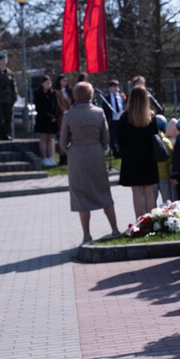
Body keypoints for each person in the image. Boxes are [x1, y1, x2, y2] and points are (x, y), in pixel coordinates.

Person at [59, 81, 120, 244]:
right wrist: (99, 147)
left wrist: (71, 150)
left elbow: (63, 142)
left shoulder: (68, 115)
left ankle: (86, 234)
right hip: (96, 155)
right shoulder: (99, 112)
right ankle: (114, 229)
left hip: (77, 157)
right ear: (91, 95)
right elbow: (106, 138)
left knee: (81, 195)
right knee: (103, 192)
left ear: (75, 96)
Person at [118, 86, 160, 221]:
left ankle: (139, 221)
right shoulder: (151, 116)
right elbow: (155, 136)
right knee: (149, 191)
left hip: (131, 157)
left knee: (136, 192)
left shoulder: (125, 116)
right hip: (148, 156)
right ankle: (151, 220)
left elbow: (120, 139)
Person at [0, 53, 17, 140]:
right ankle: (0, 134)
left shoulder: (10, 73)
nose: (4, 61)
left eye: (5, 59)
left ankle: (7, 133)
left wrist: (14, 97)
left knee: (8, 117)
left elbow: (13, 86)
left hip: (8, 98)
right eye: (2, 60)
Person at [33, 74, 59, 167]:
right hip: (43, 119)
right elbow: (39, 107)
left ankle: (50, 157)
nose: (49, 85)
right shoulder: (37, 93)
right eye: (47, 83)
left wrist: (55, 116)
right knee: (43, 139)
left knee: (50, 139)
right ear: (42, 83)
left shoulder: (53, 93)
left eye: (50, 83)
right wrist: (49, 116)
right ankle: (44, 158)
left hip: (52, 119)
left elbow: (56, 106)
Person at [102, 80, 126, 158]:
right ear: (110, 88)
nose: (115, 88)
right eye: (113, 87)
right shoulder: (107, 97)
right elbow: (105, 109)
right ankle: (115, 153)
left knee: (121, 135)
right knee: (113, 137)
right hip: (112, 120)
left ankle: (122, 151)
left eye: (117, 86)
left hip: (121, 119)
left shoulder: (121, 96)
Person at [155, 114, 175, 205]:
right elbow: (170, 161)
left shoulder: (149, 140)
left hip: (152, 175)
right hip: (165, 175)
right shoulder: (166, 142)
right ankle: (167, 216)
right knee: (167, 199)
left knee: (151, 199)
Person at [53, 75, 72, 164]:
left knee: (68, 137)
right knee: (61, 137)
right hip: (61, 117)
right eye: (63, 81)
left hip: (69, 116)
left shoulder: (68, 92)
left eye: (66, 81)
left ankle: (67, 155)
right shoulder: (57, 92)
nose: (65, 82)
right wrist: (66, 112)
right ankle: (62, 156)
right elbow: (59, 105)